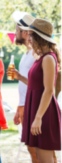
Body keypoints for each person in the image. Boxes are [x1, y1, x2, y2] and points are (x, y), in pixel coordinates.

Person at [11, 18, 62, 163]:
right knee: (38, 157)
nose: (29, 38)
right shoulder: (40, 57)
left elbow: (48, 90)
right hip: (34, 109)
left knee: (45, 159)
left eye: (31, 35)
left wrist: (38, 117)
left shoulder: (48, 58)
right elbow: (36, 85)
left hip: (43, 112)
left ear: (39, 37)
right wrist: (20, 77)